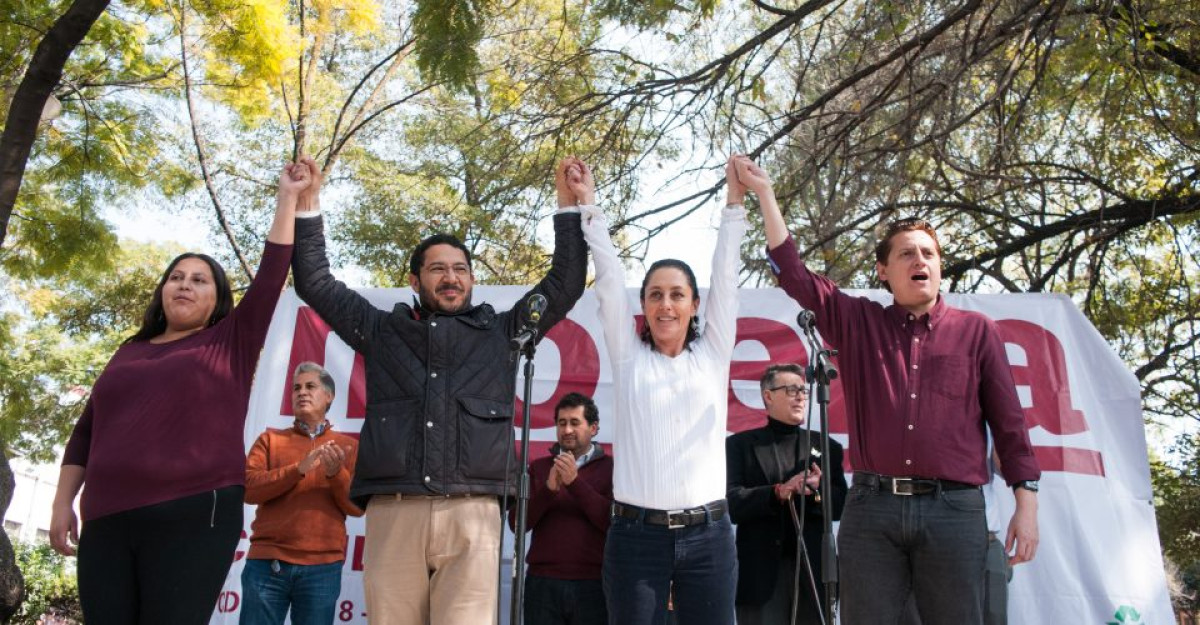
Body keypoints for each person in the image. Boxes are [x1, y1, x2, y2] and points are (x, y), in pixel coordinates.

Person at [744, 154, 1040, 624]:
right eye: (906, 253)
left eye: (928, 253)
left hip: (954, 510)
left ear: (940, 268)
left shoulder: (977, 331)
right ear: (884, 270)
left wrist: (1026, 503)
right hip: (872, 508)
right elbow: (795, 274)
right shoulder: (859, 322)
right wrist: (765, 193)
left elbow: (1010, 425)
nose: (919, 260)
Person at [289, 158, 588, 624]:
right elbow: (315, 282)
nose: (451, 278)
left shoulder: (505, 331)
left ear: (471, 278)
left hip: (473, 513)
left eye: (460, 269)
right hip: (396, 511)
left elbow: (564, 284)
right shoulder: (381, 330)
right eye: (437, 270)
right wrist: (306, 204)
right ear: (414, 281)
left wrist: (571, 208)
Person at [48, 159, 312, 624]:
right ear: (161, 291)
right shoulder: (128, 351)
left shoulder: (231, 340)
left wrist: (287, 198)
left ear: (218, 298)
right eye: (175, 277)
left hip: (195, 513)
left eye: (198, 279)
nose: (184, 285)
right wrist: (61, 503)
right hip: (106, 518)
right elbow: (86, 432)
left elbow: (272, 274)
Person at [579, 155, 747, 625]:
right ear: (644, 306)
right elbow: (609, 281)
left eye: (677, 294)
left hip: (709, 537)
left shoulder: (712, 355)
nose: (666, 304)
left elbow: (728, 278)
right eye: (655, 294)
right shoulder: (629, 356)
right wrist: (590, 208)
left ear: (695, 304)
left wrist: (734, 204)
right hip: (636, 537)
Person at [240, 362, 364, 625]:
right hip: (266, 563)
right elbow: (249, 489)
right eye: (296, 388)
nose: (301, 392)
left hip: (322, 568)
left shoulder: (349, 447)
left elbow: (356, 508)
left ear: (329, 396)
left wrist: (335, 475)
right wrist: (298, 469)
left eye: (310, 386)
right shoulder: (269, 440)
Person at [725, 363, 848, 625]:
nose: (801, 396)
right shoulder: (739, 445)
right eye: (791, 389)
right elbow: (733, 504)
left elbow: (840, 506)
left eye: (803, 390)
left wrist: (815, 492)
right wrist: (779, 492)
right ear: (768, 396)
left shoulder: (826, 446)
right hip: (760, 576)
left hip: (814, 572)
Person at [510, 392, 613, 625]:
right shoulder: (538, 468)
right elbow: (517, 524)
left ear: (594, 428)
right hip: (542, 584)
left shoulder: (611, 469)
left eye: (575, 423)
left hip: (594, 584)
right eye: (561, 423)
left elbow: (613, 523)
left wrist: (575, 483)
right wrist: (548, 490)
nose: (567, 430)